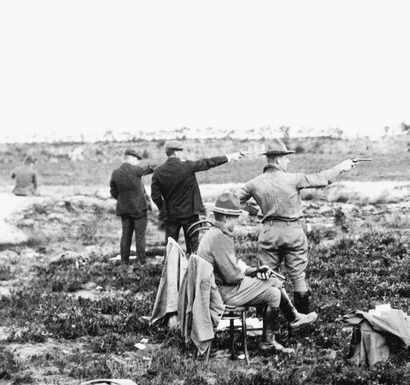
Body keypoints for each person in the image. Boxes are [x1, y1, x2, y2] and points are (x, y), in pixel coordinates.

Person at [238, 140, 357, 314]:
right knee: (298, 278)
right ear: (278, 160)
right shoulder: (294, 178)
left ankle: (265, 325)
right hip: (293, 231)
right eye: (286, 158)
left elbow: (234, 200)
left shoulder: (253, 183)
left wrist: (255, 212)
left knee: (265, 277)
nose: (288, 161)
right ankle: (300, 323)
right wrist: (343, 166)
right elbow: (322, 178)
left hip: (269, 232)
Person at [196, 191, 318, 354]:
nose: (237, 222)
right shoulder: (219, 238)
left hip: (218, 289)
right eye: (236, 218)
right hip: (222, 293)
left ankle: (269, 341)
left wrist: (253, 271)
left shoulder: (214, 233)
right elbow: (232, 276)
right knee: (272, 281)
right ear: (226, 218)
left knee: (274, 293)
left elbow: (229, 268)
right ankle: (294, 318)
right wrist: (250, 274)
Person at [150, 141, 243, 254]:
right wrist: (230, 157)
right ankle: (193, 269)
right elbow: (209, 162)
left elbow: (155, 196)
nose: (182, 153)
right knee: (193, 247)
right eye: (181, 151)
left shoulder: (158, 171)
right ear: (176, 152)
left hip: (171, 215)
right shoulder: (187, 166)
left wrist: (164, 209)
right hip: (190, 214)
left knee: (170, 248)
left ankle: (170, 270)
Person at [109, 149, 155, 265]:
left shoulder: (115, 173)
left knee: (126, 236)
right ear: (131, 158)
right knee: (140, 237)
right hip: (139, 208)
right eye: (137, 160)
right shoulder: (136, 170)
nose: (138, 162)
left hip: (124, 209)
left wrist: (123, 200)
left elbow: (113, 192)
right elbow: (151, 168)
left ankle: (124, 262)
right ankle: (142, 262)